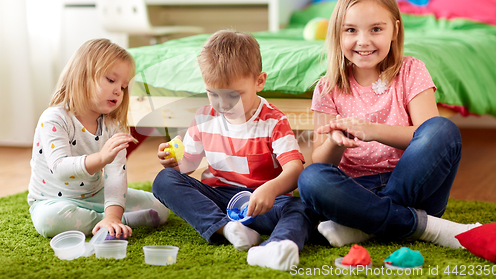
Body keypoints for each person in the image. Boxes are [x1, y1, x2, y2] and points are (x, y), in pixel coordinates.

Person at [297, 0, 480, 249]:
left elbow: (426, 134)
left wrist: (370, 130)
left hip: (416, 187)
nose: (363, 41)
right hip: (357, 192)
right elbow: (320, 161)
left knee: (443, 129)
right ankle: (421, 226)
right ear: (337, 33)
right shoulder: (327, 87)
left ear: (394, 29)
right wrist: (335, 142)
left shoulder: (411, 71)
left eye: (376, 29)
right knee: (311, 178)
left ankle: (365, 225)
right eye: (351, 30)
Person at [152, 30, 317, 271]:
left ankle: (280, 246)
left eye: (234, 95)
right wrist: (172, 163)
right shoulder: (203, 117)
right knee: (164, 180)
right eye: (213, 94)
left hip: (262, 202)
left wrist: (270, 189)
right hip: (217, 200)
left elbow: (295, 169)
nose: (222, 104)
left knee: (301, 208)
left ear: (259, 81)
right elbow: (186, 166)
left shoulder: (274, 121)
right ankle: (226, 228)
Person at [28, 39, 169, 239]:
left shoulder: (113, 127)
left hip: (95, 194)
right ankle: (123, 221)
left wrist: (113, 215)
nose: (118, 91)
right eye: (111, 80)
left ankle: (110, 221)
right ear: (82, 76)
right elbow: (60, 169)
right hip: (52, 202)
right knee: (50, 222)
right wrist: (101, 158)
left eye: (123, 86)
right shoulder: (54, 119)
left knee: (160, 207)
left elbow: (116, 177)